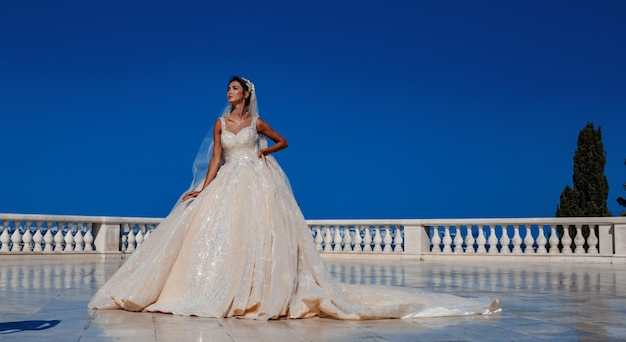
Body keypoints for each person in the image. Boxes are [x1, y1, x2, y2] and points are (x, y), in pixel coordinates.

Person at [88, 76, 500, 319]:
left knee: (260, 236)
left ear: (246, 94)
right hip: (230, 181)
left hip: (258, 181)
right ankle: (219, 289)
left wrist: (263, 151)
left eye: (234, 89)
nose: (229, 93)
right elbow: (214, 160)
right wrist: (201, 187)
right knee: (219, 237)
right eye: (228, 89)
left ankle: (258, 291)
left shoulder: (256, 122)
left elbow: (285, 141)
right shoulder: (218, 123)